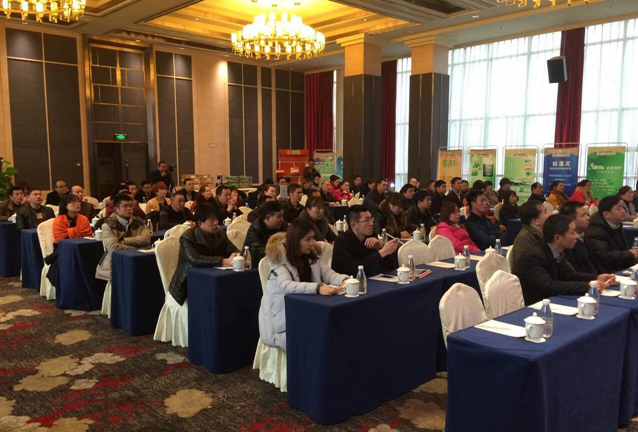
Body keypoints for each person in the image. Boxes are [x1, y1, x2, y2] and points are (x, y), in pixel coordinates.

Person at [259, 219, 349, 350]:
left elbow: (328, 274)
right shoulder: (280, 258)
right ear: (295, 241)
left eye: (312, 238)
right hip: (283, 317)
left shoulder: (311, 255)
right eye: (307, 239)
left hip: (307, 309)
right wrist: (317, 288)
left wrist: (345, 281)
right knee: (320, 336)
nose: (312, 243)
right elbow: (286, 285)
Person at [513, 214, 614, 306]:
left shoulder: (558, 249)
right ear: (558, 238)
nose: (576, 236)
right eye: (572, 233)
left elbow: (569, 275)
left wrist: (596, 278)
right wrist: (587, 286)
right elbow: (549, 286)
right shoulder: (534, 256)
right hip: (535, 304)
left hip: (553, 299)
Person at [169, 204, 240, 306]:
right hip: (188, 285)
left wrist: (239, 256)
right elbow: (195, 259)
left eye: (216, 218)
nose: (216, 223)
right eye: (211, 220)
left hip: (211, 279)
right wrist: (223, 261)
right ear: (200, 223)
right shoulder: (187, 238)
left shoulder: (220, 234)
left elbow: (232, 250)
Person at [332, 205, 399, 276]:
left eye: (371, 219)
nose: (371, 223)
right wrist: (382, 253)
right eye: (367, 220)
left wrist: (381, 247)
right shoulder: (341, 241)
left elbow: (392, 266)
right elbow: (353, 270)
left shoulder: (371, 236)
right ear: (354, 225)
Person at [96, 194, 151, 281]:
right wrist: (138, 250)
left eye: (131, 206)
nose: (129, 209)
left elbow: (146, 240)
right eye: (125, 206)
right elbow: (114, 247)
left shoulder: (138, 222)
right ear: (116, 209)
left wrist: (124, 241)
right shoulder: (108, 225)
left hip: (138, 260)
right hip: (115, 262)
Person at [46, 195, 93, 285]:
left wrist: (70, 232)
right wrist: (76, 232)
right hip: (62, 248)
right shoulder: (58, 220)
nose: (77, 204)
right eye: (73, 202)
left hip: (82, 246)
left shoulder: (83, 219)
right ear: (65, 206)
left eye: (78, 202)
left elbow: (88, 235)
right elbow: (60, 237)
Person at [585, 195, 638, 273]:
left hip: (619, 265)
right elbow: (603, 256)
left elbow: (623, 248)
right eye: (618, 208)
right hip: (606, 271)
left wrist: (631, 254)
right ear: (606, 214)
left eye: (623, 207)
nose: (623, 211)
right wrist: (629, 254)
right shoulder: (595, 229)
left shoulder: (616, 224)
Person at [560, 201, 605, 274]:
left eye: (587, 214)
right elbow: (575, 273)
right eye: (583, 215)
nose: (588, 218)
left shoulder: (584, 234)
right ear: (571, 220)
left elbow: (595, 262)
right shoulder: (568, 243)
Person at [511, 200, 551, 270]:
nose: (549, 214)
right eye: (545, 212)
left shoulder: (545, 233)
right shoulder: (524, 239)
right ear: (536, 221)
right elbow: (527, 268)